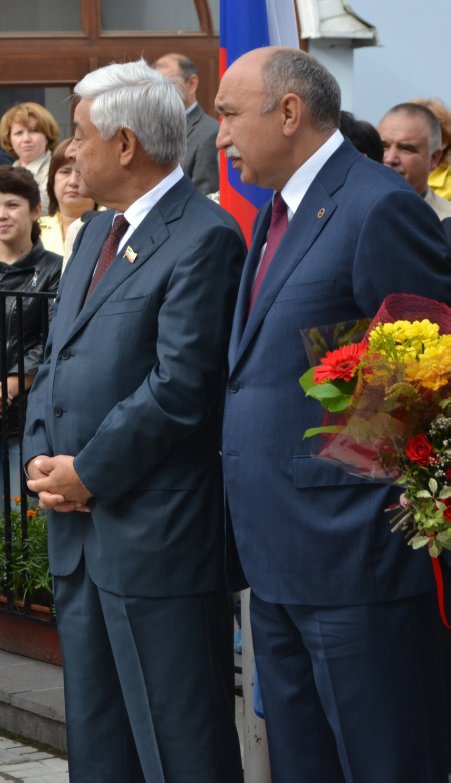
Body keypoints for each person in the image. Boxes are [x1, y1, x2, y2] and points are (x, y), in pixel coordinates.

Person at [216, 46, 451, 781]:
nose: (217, 133)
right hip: (277, 552)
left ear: (286, 112)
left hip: (355, 562)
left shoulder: (378, 204)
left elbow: (422, 376)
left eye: (226, 113)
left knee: (382, 761)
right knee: (301, 763)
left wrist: (358, 517)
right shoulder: (276, 212)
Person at [23, 60, 246, 782]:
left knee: (178, 742)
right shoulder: (91, 233)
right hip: (80, 531)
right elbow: (56, 357)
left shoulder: (203, 236)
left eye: (80, 135)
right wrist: (41, 457)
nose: (69, 152)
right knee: (98, 740)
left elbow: (180, 386)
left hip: (154, 534)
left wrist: (88, 470)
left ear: (124, 145)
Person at [0, 166, 62, 511]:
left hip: (28, 415)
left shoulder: (55, 269)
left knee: (28, 521)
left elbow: (52, 341)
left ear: (36, 210)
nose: (1, 215)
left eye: (12, 205)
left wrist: (1, 392)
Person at [154, 53, 221, 195]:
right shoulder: (149, 130)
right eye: (153, 86)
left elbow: (204, 199)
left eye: (168, 84)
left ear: (191, 84)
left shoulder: (209, 134)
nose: (159, 93)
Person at [379, 102, 451, 221]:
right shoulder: (349, 211)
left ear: (434, 158)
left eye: (406, 149)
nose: (390, 159)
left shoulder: (446, 221)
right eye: (384, 146)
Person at [38, 138, 96, 259]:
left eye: (80, 172)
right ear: (52, 180)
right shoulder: (34, 230)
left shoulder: (114, 228)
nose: (73, 182)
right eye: (65, 172)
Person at [0, 102, 60, 213]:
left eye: (33, 131)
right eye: (19, 133)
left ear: (47, 136)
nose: (26, 139)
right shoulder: (6, 173)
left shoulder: (59, 170)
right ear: (9, 139)